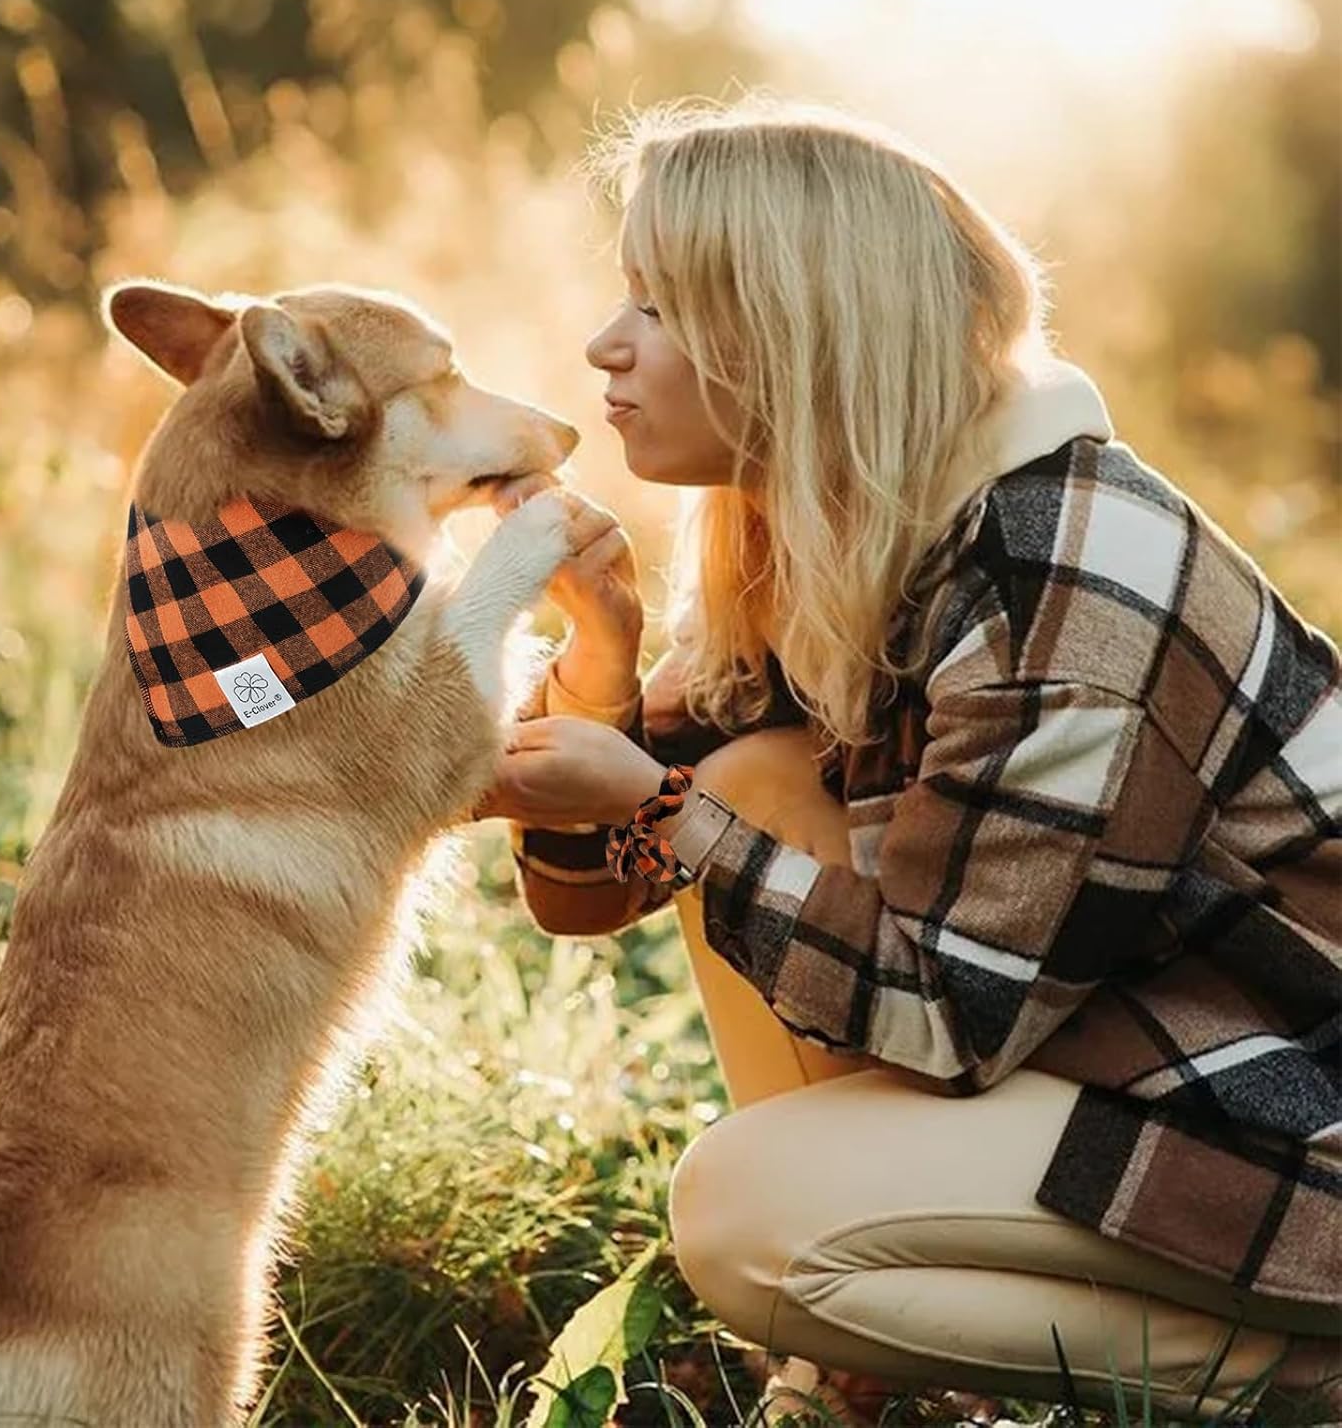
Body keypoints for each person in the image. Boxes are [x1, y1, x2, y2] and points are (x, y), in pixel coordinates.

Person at [467, 98, 1341, 1425]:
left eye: (659, 303)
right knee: (751, 783)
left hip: (1292, 1119)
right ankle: (869, 1369)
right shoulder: (841, 531)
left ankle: (1303, 1377)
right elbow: (587, 892)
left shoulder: (1064, 576)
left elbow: (950, 1018)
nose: (605, 341)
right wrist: (601, 668)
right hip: (1132, 1046)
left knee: (747, 1209)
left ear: (792, 329)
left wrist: (654, 802)